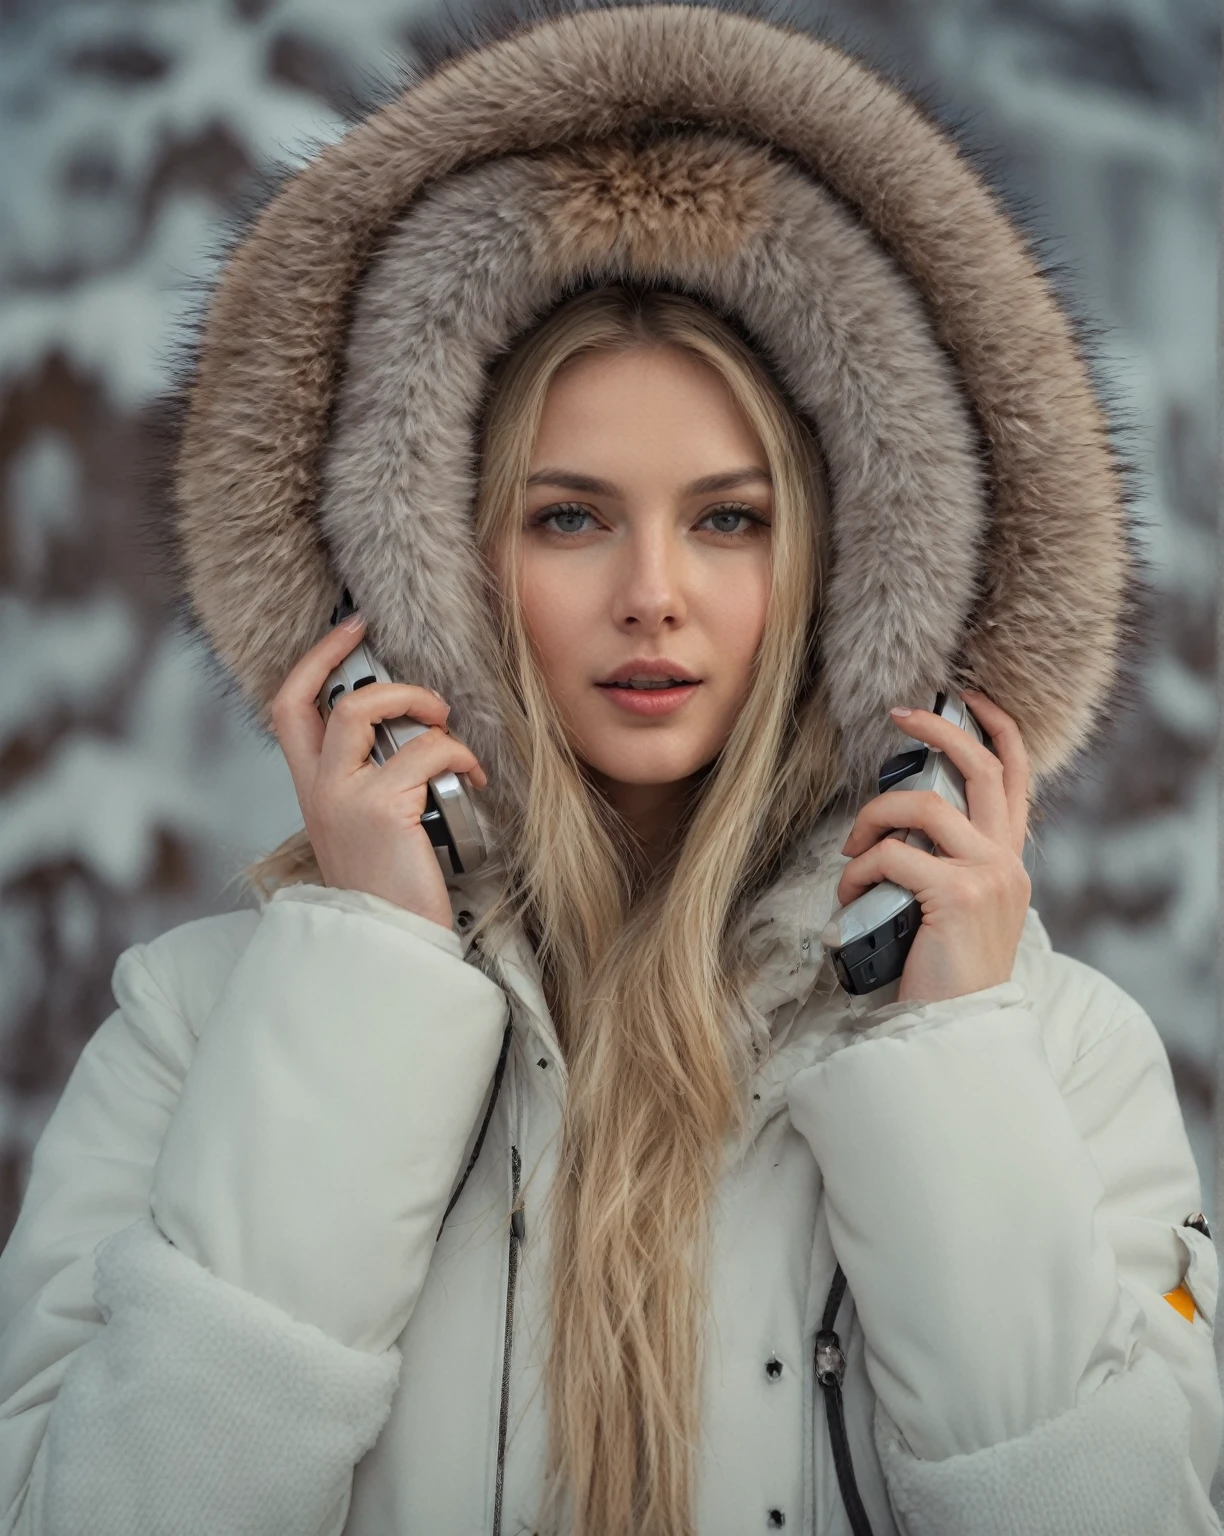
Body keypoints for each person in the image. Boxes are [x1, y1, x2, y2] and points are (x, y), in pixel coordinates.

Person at [0, 7, 1219, 1536]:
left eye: (729, 519)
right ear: (438, 558)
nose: (655, 593)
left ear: (850, 566)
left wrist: (953, 1059)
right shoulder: (199, 1034)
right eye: (570, 516)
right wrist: (365, 989)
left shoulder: (1052, 1054)